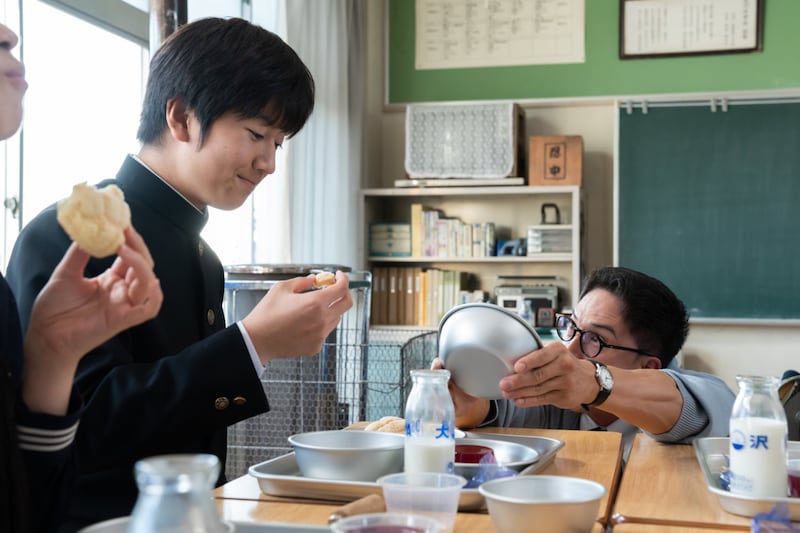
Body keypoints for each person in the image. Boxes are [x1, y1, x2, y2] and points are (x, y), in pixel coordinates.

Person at [6, 17, 353, 531]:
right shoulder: (73, 237)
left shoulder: (205, 257)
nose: (268, 163)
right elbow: (79, 423)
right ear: (182, 117)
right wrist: (253, 344)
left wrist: (254, 344)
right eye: (257, 133)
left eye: (278, 143)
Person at [0, 21, 163, 533]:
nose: (9, 33)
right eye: (256, 134)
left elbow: (28, 508)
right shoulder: (48, 237)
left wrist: (52, 359)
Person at [435, 266, 734, 459]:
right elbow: (499, 411)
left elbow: (709, 407)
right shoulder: (555, 397)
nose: (570, 349)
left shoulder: (693, 398)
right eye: (572, 326)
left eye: (596, 339)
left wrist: (594, 382)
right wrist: (471, 407)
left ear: (648, 366)